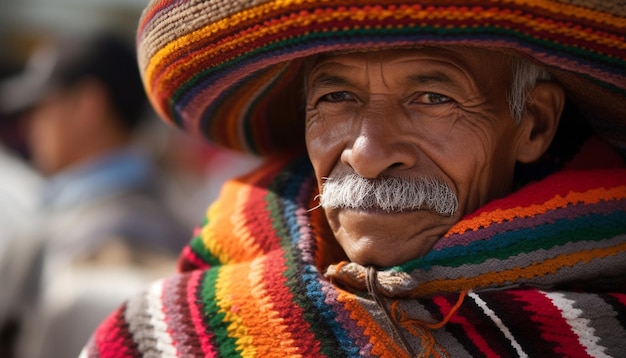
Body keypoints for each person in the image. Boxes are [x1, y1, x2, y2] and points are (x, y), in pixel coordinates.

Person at [83, 1, 626, 357]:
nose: (368, 155)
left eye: (432, 97)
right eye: (336, 97)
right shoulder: (167, 337)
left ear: (533, 123)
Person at [0, 32, 189, 358]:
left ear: (89, 105)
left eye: (43, 106)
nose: (31, 125)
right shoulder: (147, 210)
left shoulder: (128, 229)